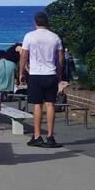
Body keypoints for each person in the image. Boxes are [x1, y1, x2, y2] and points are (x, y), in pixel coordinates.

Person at [18, 12, 64, 148]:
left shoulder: (29, 36)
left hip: (35, 74)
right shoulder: (55, 37)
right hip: (50, 74)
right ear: (47, 22)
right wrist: (59, 73)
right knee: (50, 104)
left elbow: (24, 56)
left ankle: (37, 136)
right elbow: (60, 58)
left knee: (37, 105)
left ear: (35, 22)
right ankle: (50, 136)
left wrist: (21, 73)